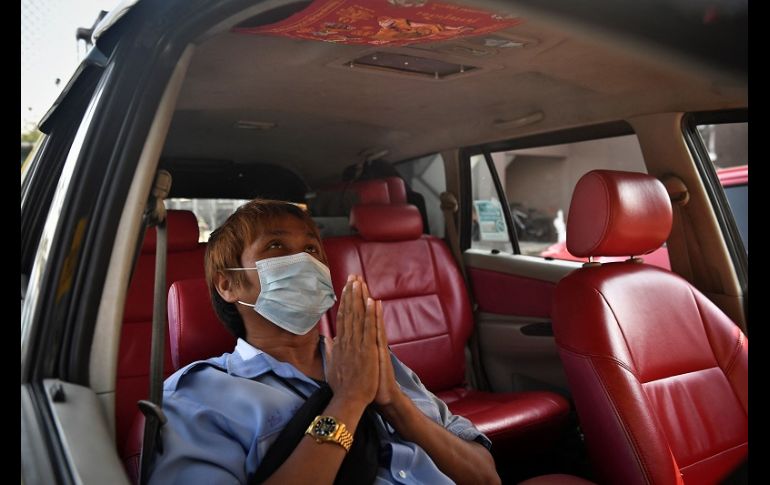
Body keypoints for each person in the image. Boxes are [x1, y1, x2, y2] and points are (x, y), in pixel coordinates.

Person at [148, 199, 500, 484]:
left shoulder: (376, 361)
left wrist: (395, 404)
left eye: (313, 249)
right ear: (229, 285)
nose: (304, 260)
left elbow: (485, 477)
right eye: (276, 245)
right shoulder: (197, 397)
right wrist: (347, 401)